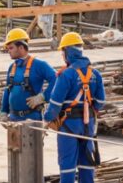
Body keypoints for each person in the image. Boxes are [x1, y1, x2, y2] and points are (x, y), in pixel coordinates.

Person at [43, 32, 105, 183]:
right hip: (88, 125)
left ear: (67, 52)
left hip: (68, 125)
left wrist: (47, 119)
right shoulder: (95, 74)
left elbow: (56, 103)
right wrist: (90, 111)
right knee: (87, 163)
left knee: (67, 164)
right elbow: (101, 101)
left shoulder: (66, 75)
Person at [0, 28, 56, 122]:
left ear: (21, 47)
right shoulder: (12, 67)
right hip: (13, 119)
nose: (8, 51)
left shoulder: (39, 65)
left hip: (32, 118)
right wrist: (3, 112)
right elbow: (7, 90)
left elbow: (56, 79)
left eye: (11, 48)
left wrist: (43, 97)